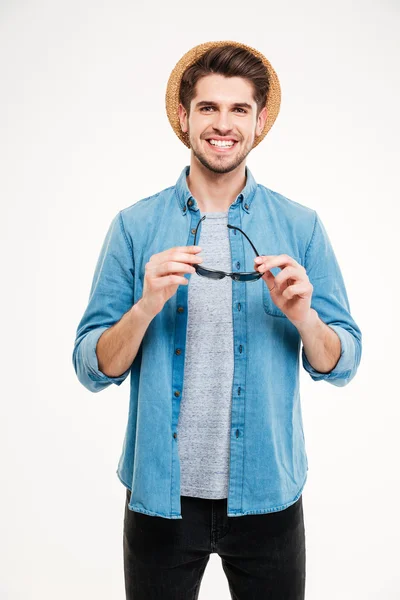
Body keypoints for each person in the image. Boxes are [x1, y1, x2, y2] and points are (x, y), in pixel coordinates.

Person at [72, 40, 362, 600]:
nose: (222, 124)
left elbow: (343, 359)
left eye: (238, 109)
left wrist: (304, 319)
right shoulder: (135, 227)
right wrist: (145, 306)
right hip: (159, 497)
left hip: (268, 496)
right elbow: (91, 366)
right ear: (185, 118)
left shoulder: (300, 225)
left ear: (258, 123)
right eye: (208, 108)